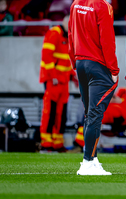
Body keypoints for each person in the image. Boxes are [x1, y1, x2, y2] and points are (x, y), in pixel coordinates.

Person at [68, 0, 119, 175]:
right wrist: (114, 69)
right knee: (95, 114)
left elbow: (71, 36)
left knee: (91, 113)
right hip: (97, 64)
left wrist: (74, 62)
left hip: (81, 63)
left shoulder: (76, 3)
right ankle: (87, 162)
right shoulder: (104, 6)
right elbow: (107, 41)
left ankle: (93, 158)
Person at [39, 15, 77, 152]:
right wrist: (53, 76)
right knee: (50, 110)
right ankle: (46, 142)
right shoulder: (54, 33)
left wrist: (74, 76)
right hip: (53, 80)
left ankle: (57, 142)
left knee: (61, 112)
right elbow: (46, 56)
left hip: (64, 80)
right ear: (64, 22)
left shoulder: (69, 37)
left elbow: (68, 60)